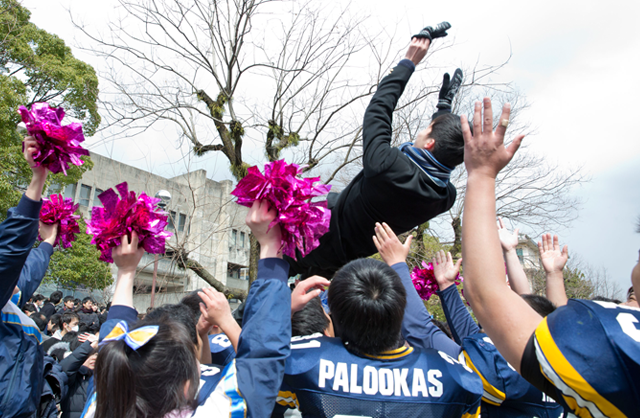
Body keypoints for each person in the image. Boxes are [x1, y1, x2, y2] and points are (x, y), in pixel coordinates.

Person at [458, 97, 640, 416]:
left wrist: (482, 176)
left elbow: (487, 294)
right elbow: (558, 316)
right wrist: (552, 274)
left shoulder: (618, 345)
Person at [82, 200, 295, 418]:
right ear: (185, 387)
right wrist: (270, 246)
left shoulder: (101, 404)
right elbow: (261, 359)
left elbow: (113, 340)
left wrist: (126, 271)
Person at [287, 23, 468, 278]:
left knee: (266, 283)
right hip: (344, 261)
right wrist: (443, 110)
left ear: (429, 143)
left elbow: (379, 109)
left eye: (427, 129)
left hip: (311, 240)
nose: (421, 131)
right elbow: (442, 156)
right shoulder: (444, 197)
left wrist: (408, 62)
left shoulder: (387, 166)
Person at [274, 223, 482, 417]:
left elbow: (252, 372)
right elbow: (425, 331)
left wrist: (286, 312)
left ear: (335, 316)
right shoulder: (455, 376)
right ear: (401, 309)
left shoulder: (300, 361)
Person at [427, 248, 565, 417]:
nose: (500, 314)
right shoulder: (557, 371)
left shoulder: (507, 374)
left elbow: (423, 328)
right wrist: (447, 286)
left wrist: (398, 265)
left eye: (510, 312)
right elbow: (471, 334)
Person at [0, 136, 50, 418]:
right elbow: (8, 257)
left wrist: (48, 243)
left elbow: (24, 273)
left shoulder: (13, 297)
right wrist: (37, 181)